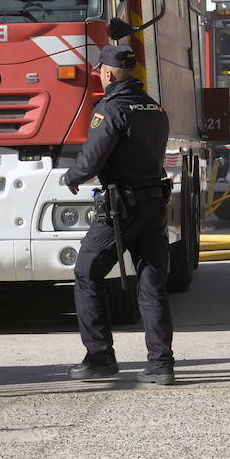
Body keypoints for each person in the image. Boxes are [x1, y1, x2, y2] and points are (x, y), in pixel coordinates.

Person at [62, 44, 176, 385]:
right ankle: (161, 365)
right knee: (152, 283)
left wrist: (72, 177)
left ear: (108, 73)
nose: (99, 75)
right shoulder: (155, 108)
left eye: (100, 71)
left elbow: (93, 157)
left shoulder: (110, 109)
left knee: (86, 272)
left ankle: (100, 358)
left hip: (120, 207)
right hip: (154, 203)